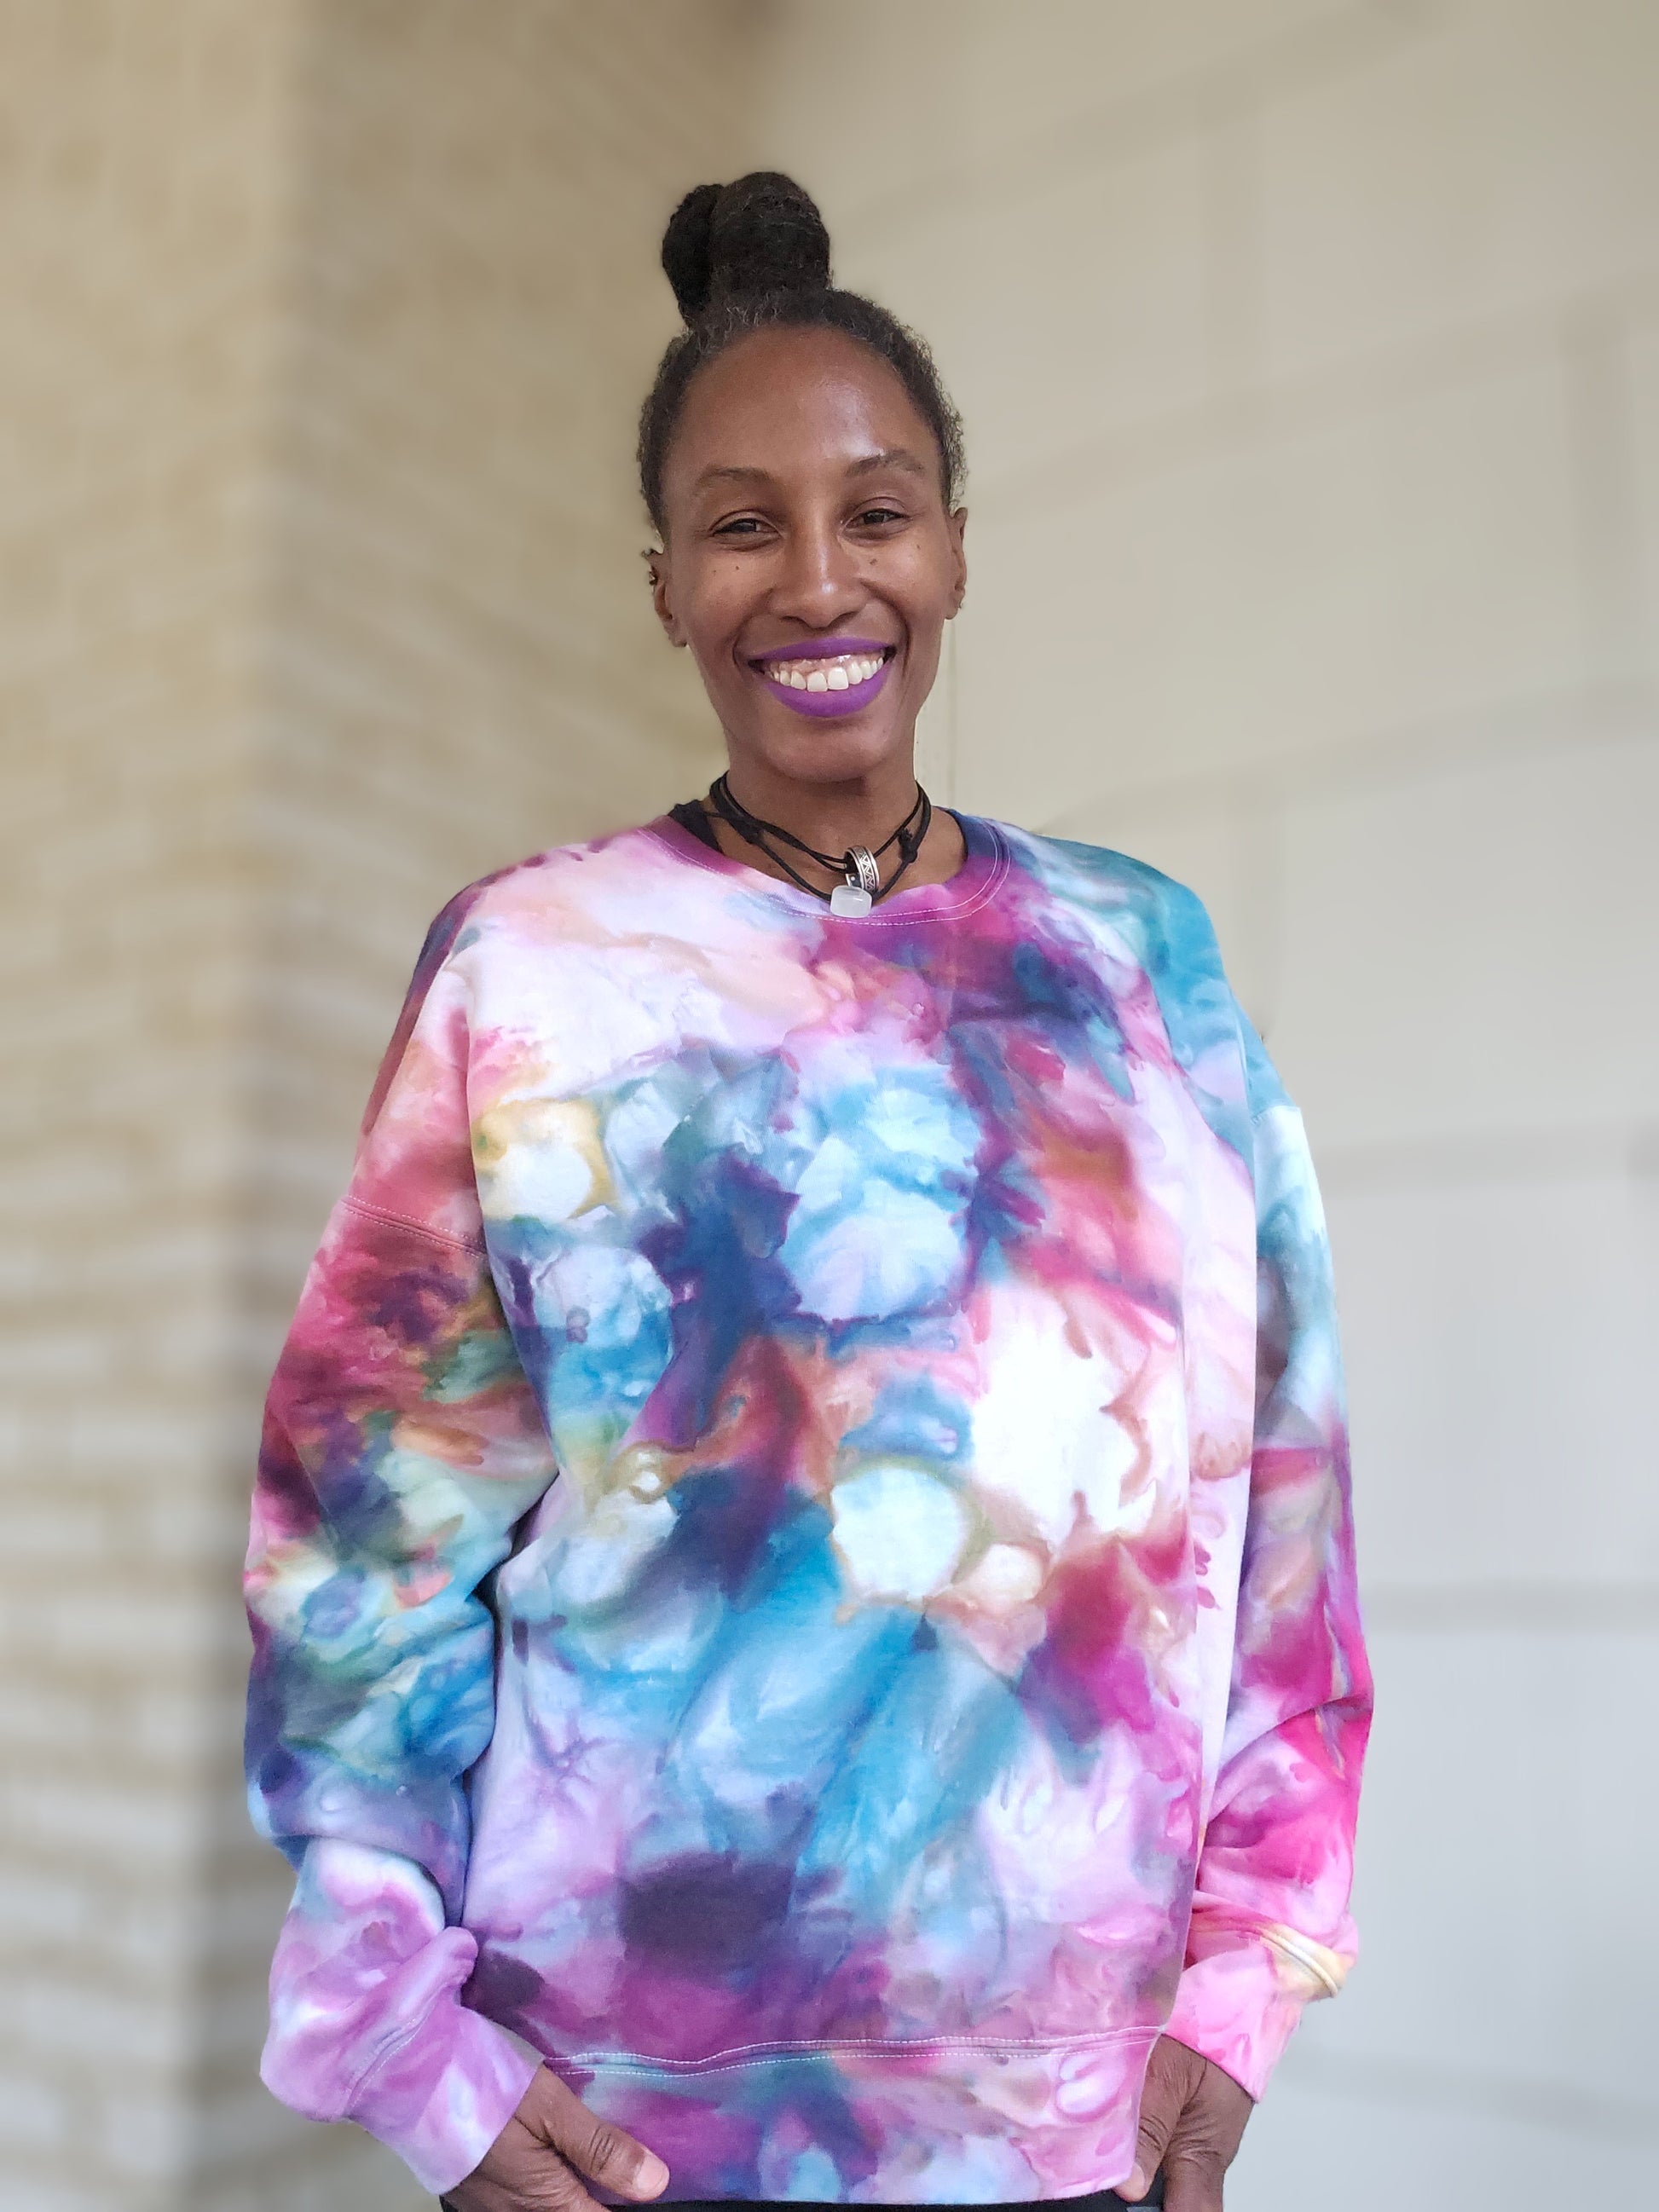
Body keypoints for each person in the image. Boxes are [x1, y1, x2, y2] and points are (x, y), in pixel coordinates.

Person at [244, 173, 1371, 2212]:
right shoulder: (533, 969)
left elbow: (1279, 1494)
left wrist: (1246, 1973)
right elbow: (368, 1540)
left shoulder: (1141, 963)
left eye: (878, 509)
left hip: (1071, 2120)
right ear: (665, 583)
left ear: (954, 549)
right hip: (628, 2123)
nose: (819, 579)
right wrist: (405, 2043)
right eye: (743, 523)